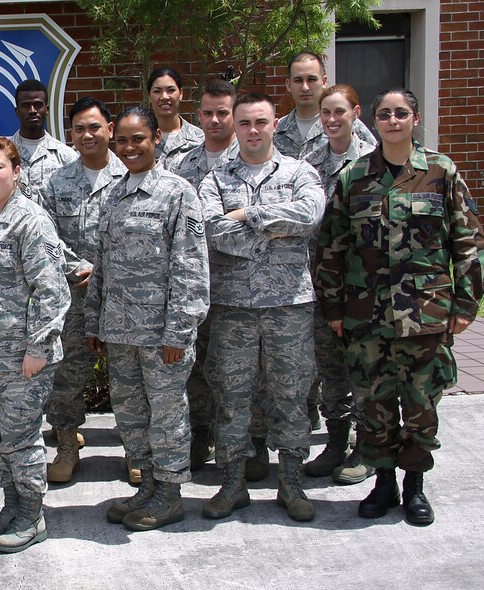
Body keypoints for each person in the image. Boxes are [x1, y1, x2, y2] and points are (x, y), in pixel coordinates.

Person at [316, 88, 484, 526]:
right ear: (374, 120)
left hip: (426, 316)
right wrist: (334, 308)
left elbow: (468, 243)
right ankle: (383, 482)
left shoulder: (441, 172)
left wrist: (465, 304)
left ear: (415, 118)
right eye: (385, 114)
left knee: (422, 406)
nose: (393, 120)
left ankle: (415, 486)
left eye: (401, 113)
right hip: (366, 318)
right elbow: (331, 247)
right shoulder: (354, 177)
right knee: (374, 406)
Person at [199, 93, 325, 523]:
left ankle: (291, 482)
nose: (253, 130)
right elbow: (213, 231)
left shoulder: (299, 171)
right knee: (231, 396)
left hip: (288, 305)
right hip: (233, 307)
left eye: (261, 122)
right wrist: (274, 231)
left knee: (290, 393)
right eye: (245, 123)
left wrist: (248, 214)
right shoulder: (215, 178)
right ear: (235, 126)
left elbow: (310, 216)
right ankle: (232, 483)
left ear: (275, 125)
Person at [88, 105, 209, 531]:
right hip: (120, 331)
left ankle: (171, 495)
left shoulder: (179, 193)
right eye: (121, 140)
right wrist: (95, 323)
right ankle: (148, 485)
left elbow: (190, 266)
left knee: (167, 414)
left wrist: (180, 328)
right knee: (131, 413)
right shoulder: (113, 194)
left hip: (163, 335)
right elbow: (101, 263)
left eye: (138, 138)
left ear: (156, 138)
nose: (129, 147)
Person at [0, 136, 70, 553]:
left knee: (21, 438)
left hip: (21, 358)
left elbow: (52, 291)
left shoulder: (30, 221)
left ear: (16, 172)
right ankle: (12, 504)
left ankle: (32, 515)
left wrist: (38, 349)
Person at [38, 97, 125, 483]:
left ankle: (138, 451)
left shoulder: (132, 177)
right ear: (70, 135)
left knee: (128, 374)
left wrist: (104, 271)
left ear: (110, 129)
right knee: (66, 375)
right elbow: (45, 236)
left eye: (95, 127)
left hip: (124, 297)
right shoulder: (55, 183)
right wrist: (80, 267)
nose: (87, 135)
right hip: (73, 296)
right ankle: (67, 444)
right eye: (79, 129)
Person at [299, 84, 375, 484]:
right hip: (318, 282)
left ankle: (365, 444)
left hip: (362, 286)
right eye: (326, 113)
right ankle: (335, 441)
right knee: (329, 367)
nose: (331, 120)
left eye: (339, 112)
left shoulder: (371, 162)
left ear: (355, 113)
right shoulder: (309, 160)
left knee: (360, 366)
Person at [166, 78, 238, 471]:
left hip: (236, 287)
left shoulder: (246, 162)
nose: (214, 120)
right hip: (190, 287)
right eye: (207, 113)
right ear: (198, 115)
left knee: (231, 372)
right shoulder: (182, 166)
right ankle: (198, 439)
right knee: (192, 370)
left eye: (222, 113)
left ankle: (237, 448)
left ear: (235, 114)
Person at [273, 52, 376, 159]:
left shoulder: (350, 125)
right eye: (298, 80)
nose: (305, 87)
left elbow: (376, 160)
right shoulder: (276, 130)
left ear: (324, 81)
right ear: (288, 85)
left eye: (311, 79)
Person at [8, 79, 78, 197]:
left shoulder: (66, 157)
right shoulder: (4, 153)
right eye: (26, 105)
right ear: (17, 111)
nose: (32, 111)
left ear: (47, 110)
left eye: (38, 105)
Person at [147, 67, 203, 166]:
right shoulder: (142, 140)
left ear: (181, 94)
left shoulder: (200, 139)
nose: (164, 96)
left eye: (170, 90)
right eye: (157, 91)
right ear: (149, 96)